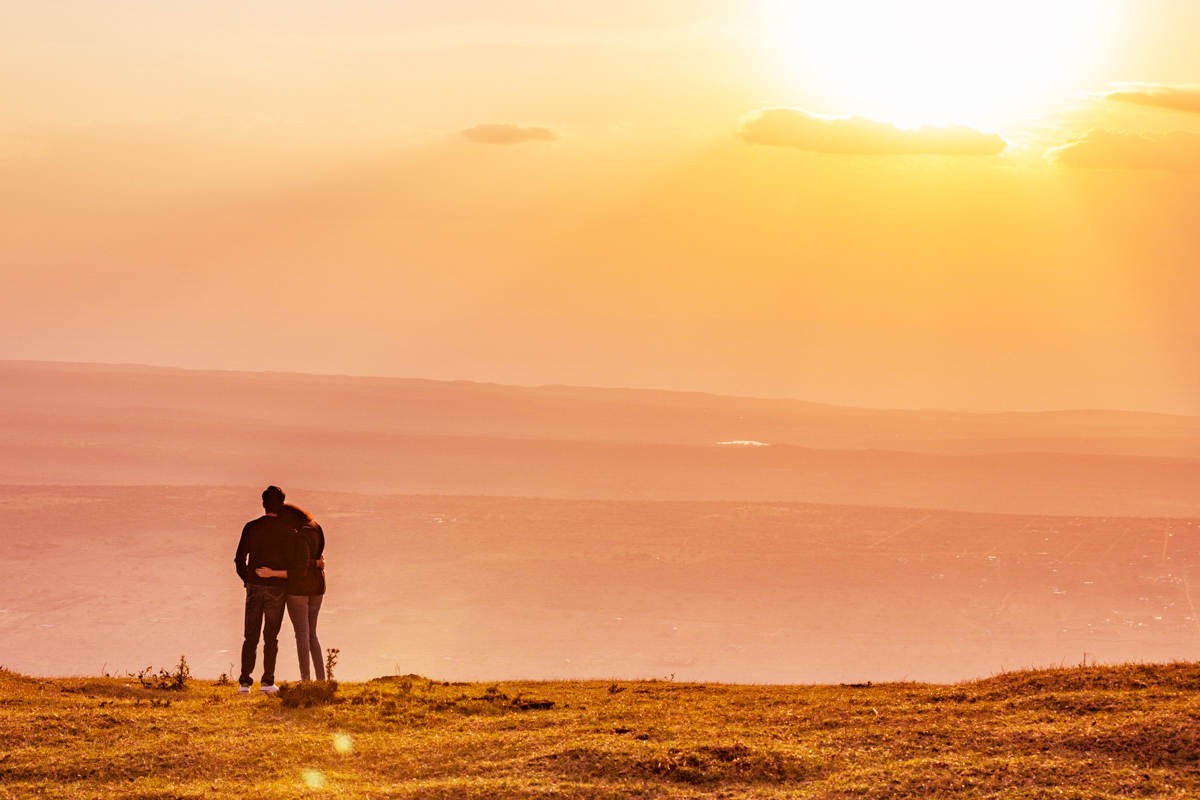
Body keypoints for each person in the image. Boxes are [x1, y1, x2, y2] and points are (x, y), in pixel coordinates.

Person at [233, 486, 294, 695]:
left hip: (254, 587)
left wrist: (248, 580)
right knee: (271, 637)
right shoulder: (288, 531)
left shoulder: (251, 527)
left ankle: (244, 683)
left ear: (263, 504)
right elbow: (293, 563)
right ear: (282, 505)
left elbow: (239, 559)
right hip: (277, 587)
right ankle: (267, 682)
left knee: (250, 636)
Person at [256, 502, 327, 681]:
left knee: (301, 634)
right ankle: (321, 679)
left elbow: (298, 571)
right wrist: (317, 564)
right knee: (312, 634)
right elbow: (317, 559)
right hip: (317, 586)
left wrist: (271, 573)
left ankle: (305, 679)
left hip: (299, 589)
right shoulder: (316, 527)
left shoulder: (301, 536)